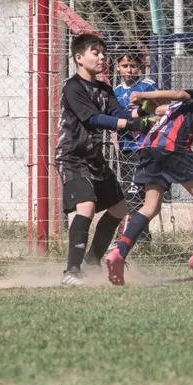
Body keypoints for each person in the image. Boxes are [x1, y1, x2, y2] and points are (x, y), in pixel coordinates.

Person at [104, 75, 193, 284]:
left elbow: (163, 110)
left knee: (151, 207)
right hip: (173, 147)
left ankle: (118, 252)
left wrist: (153, 106)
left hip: (150, 146)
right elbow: (181, 94)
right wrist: (144, 95)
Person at [54, 36, 155, 286]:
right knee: (86, 206)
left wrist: (143, 111)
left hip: (94, 157)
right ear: (79, 58)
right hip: (72, 157)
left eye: (103, 53)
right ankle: (72, 271)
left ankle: (92, 261)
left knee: (120, 209)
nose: (102, 57)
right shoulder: (73, 88)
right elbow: (93, 119)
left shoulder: (104, 88)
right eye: (95, 52)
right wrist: (130, 124)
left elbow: (118, 112)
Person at [112, 52, 158, 241]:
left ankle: (134, 236)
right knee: (129, 189)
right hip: (125, 147)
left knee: (137, 190)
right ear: (117, 67)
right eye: (124, 66)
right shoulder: (116, 91)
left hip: (144, 146)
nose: (129, 70)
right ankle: (141, 236)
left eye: (133, 66)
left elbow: (158, 111)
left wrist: (143, 109)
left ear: (139, 66)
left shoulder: (147, 86)